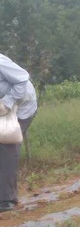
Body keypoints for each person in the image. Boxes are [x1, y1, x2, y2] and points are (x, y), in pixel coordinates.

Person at [0, 53, 38, 212]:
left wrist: (7, 102)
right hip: (4, 110)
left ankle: (7, 199)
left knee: (6, 146)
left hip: (22, 107)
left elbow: (22, 78)